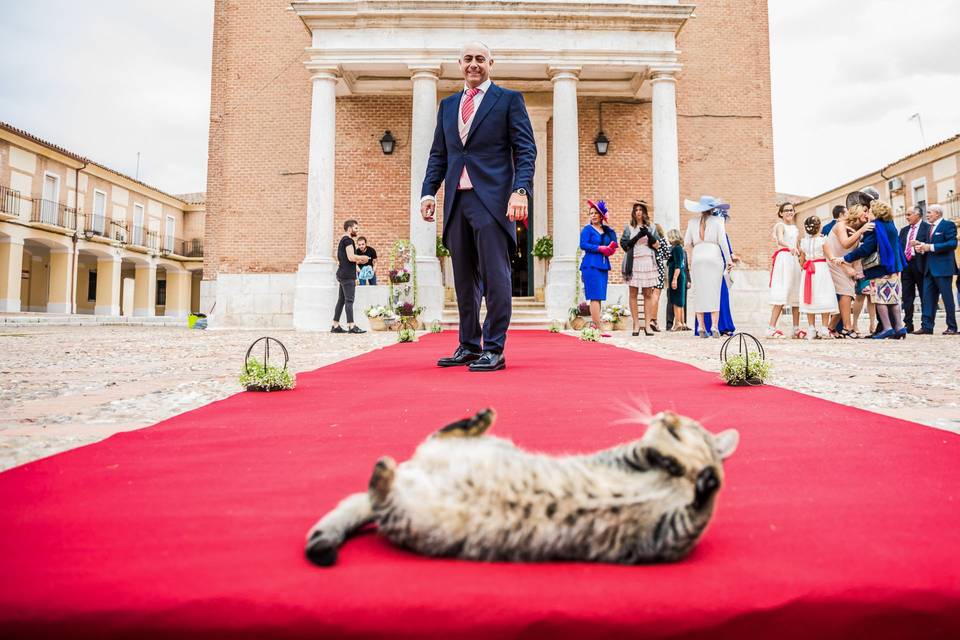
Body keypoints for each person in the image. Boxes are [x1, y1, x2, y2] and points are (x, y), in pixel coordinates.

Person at [420, 42, 536, 371]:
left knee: (495, 275)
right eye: (468, 59)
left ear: (490, 63)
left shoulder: (509, 100)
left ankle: (494, 348)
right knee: (463, 278)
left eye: (480, 59)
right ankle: (468, 345)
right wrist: (429, 192)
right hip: (457, 200)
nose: (474, 64)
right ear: (459, 63)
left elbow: (526, 150)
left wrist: (521, 190)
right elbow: (438, 155)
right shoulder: (448, 105)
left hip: (493, 201)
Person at [837, 199, 906, 339]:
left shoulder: (874, 226)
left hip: (880, 268)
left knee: (880, 299)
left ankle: (887, 328)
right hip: (894, 267)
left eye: (870, 211)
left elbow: (866, 249)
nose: (867, 214)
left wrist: (845, 258)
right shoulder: (891, 225)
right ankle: (899, 327)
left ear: (876, 212)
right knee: (893, 298)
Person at [683, 195, 732, 338]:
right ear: (713, 208)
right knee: (714, 292)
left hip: (698, 256)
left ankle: (701, 327)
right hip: (714, 255)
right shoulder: (718, 220)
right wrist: (728, 259)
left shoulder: (692, 222)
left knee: (699, 293)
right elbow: (723, 241)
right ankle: (715, 326)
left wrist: (693, 255)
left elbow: (687, 243)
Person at [913, 204, 958, 335]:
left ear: (938, 213)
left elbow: (952, 244)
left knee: (947, 298)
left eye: (929, 213)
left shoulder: (948, 225)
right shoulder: (929, 229)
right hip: (929, 269)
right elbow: (928, 246)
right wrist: (920, 246)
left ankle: (952, 327)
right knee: (927, 299)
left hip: (943, 269)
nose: (927, 215)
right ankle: (927, 327)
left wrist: (930, 247)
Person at [620, 200, 660, 336]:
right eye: (636, 209)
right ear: (633, 212)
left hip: (648, 261)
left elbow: (657, 245)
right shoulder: (628, 228)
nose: (638, 212)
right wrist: (637, 236)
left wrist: (648, 234)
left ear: (644, 212)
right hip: (634, 262)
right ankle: (636, 324)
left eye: (641, 209)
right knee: (633, 294)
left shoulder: (652, 227)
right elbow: (625, 246)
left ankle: (647, 325)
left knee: (648, 294)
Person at [580, 200, 618, 328]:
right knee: (594, 296)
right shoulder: (587, 229)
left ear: (601, 215)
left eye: (596, 213)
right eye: (591, 213)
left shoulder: (606, 230)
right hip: (591, 265)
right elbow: (583, 244)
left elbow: (612, 244)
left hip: (603, 265)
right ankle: (598, 326)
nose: (593, 215)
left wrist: (610, 249)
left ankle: (596, 325)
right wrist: (599, 248)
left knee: (600, 296)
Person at [799, 216, 839, 338]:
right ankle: (824, 328)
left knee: (810, 297)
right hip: (821, 269)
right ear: (819, 227)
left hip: (808, 271)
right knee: (824, 295)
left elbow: (801, 261)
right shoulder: (823, 240)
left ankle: (811, 328)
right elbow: (831, 257)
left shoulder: (803, 242)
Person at [766, 202, 802, 338]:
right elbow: (780, 240)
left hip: (793, 260)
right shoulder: (780, 226)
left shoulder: (795, 228)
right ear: (781, 213)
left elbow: (798, 245)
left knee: (796, 292)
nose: (789, 212)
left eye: (791, 210)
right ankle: (771, 328)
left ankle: (796, 329)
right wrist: (789, 247)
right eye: (786, 210)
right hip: (784, 259)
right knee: (781, 292)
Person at [824, 207, 861, 337]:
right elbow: (845, 244)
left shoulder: (856, 230)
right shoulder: (840, 225)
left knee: (848, 296)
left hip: (847, 265)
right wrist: (861, 231)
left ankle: (831, 327)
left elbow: (854, 253)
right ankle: (847, 327)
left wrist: (856, 270)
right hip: (834, 263)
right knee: (846, 293)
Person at [332, 219, 369, 334]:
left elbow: (344, 258)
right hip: (347, 276)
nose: (357, 230)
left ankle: (335, 325)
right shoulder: (348, 240)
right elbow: (351, 257)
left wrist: (359, 261)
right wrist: (364, 258)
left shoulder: (343, 240)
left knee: (341, 300)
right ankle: (351, 326)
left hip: (342, 274)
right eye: (356, 228)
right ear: (350, 228)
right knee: (349, 300)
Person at [898, 206, 930, 332]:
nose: (906, 217)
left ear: (918, 215)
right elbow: (900, 248)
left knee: (924, 295)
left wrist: (919, 244)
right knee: (907, 296)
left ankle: (925, 324)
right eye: (906, 214)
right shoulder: (904, 230)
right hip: (906, 266)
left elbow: (929, 245)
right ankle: (908, 324)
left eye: (909, 214)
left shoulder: (927, 228)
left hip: (921, 264)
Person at [665, 229, 689, 331]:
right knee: (680, 300)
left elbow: (678, 266)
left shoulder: (676, 249)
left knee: (676, 300)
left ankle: (677, 323)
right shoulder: (679, 248)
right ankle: (682, 322)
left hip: (677, 276)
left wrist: (674, 279)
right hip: (680, 276)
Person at [649, 222, 670, 332]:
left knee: (648, 295)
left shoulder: (648, 240)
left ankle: (649, 320)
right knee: (656, 294)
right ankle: (653, 320)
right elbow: (667, 254)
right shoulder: (662, 240)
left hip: (648, 267)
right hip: (659, 268)